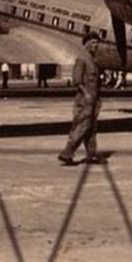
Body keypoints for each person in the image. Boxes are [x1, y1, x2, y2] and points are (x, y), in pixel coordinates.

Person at [58, 32, 104, 165]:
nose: (96, 45)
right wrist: (86, 94)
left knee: (92, 128)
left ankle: (91, 155)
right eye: (94, 43)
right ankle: (67, 152)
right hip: (85, 99)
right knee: (82, 126)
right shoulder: (82, 59)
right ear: (87, 44)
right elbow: (76, 81)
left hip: (94, 98)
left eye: (97, 43)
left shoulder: (93, 60)